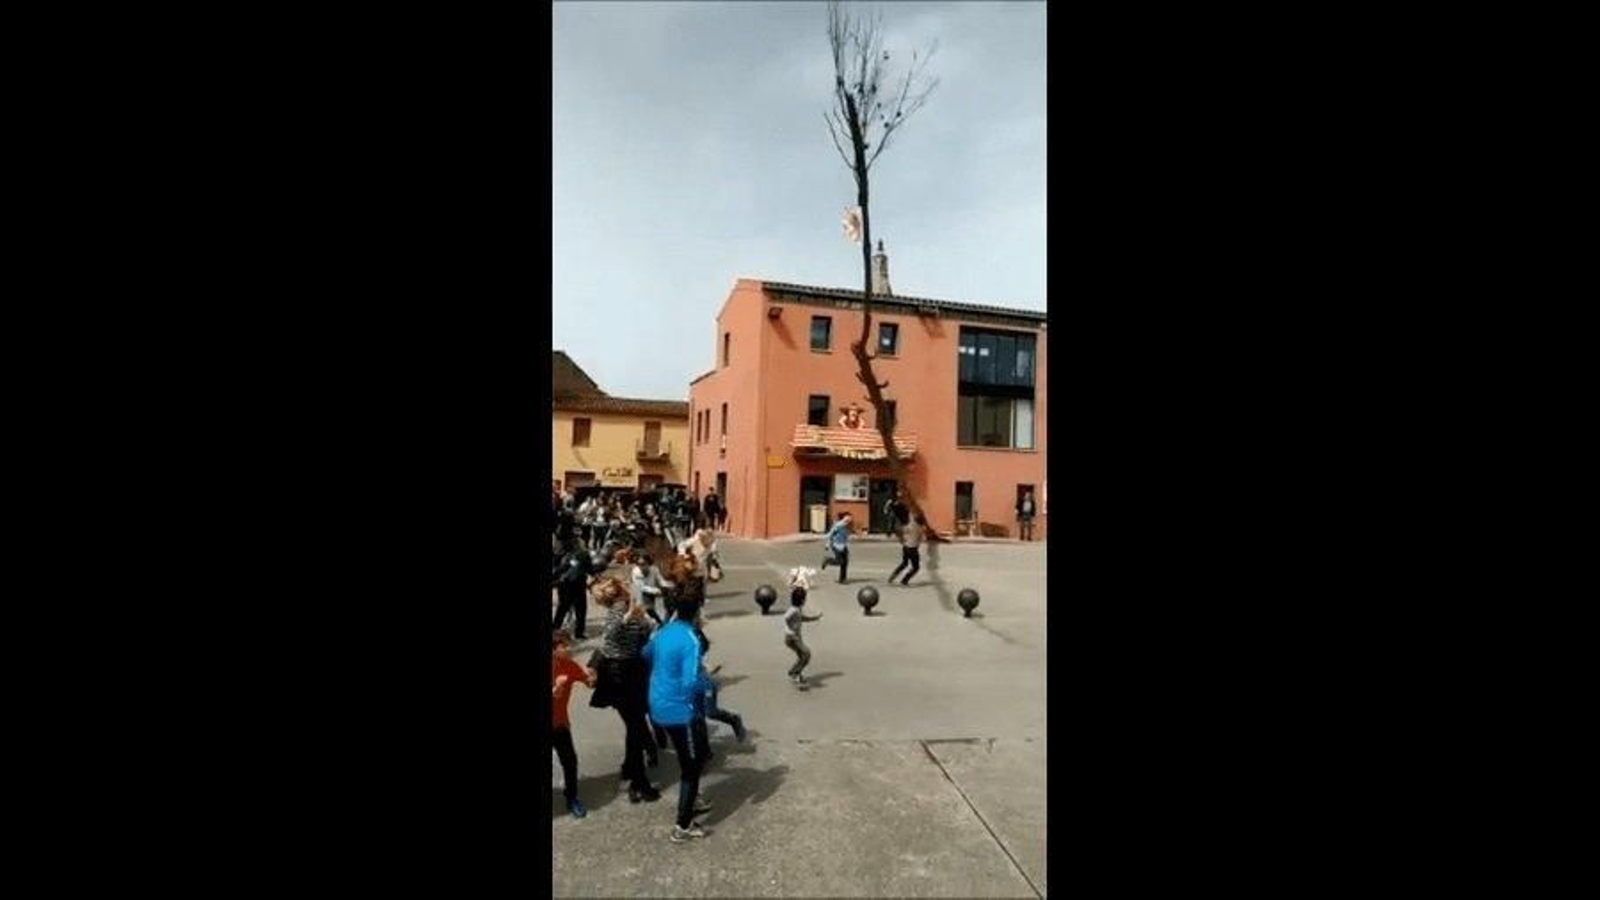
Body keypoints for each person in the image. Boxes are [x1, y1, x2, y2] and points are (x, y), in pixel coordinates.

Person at [643, 595, 715, 843]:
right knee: (691, 768)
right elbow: (690, 681)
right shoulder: (690, 639)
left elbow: (645, 655)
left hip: (657, 704)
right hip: (680, 712)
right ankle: (682, 827)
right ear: (696, 614)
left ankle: (692, 798)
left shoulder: (663, 632)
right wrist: (708, 684)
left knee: (691, 755)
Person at [590, 577, 663, 803]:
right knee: (635, 725)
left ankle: (632, 771)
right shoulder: (620, 609)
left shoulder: (624, 608)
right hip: (622, 672)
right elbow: (612, 634)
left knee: (634, 725)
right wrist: (630, 617)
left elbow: (642, 633)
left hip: (627, 670)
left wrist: (642, 621)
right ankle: (638, 781)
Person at [552, 628, 598, 819]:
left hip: (560, 724)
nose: (569, 648)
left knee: (570, 761)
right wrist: (555, 689)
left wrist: (593, 676)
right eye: (564, 646)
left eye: (569, 644)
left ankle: (572, 798)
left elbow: (589, 682)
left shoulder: (569, 665)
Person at [783, 568, 824, 689]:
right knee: (806, 654)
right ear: (802, 600)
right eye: (805, 598)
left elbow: (801, 618)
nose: (805, 600)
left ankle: (796, 672)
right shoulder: (794, 610)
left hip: (794, 637)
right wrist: (790, 627)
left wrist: (814, 618)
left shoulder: (797, 610)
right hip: (792, 638)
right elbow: (786, 617)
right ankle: (795, 673)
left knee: (802, 656)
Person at [552, 540, 601, 639]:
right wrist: (596, 575)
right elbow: (590, 569)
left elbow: (555, 570)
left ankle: (555, 629)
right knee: (580, 609)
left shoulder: (560, 553)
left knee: (562, 607)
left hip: (563, 584)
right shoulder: (583, 554)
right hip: (578, 585)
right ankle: (579, 633)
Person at [629, 553, 670, 625]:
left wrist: (666, 586)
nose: (641, 567)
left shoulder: (654, 569)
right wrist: (657, 590)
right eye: (639, 564)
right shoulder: (636, 572)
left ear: (649, 563)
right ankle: (659, 623)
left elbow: (660, 580)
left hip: (652, 592)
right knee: (647, 609)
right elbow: (642, 587)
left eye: (643, 564)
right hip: (640, 593)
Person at [888, 514, 926, 586]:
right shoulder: (920, 528)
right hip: (913, 549)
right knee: (916, 567)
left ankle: (892, 576)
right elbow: (922, 539)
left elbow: (900, 531)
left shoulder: (911, 525)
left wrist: (901, 540)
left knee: (904, 563)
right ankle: (904, 580)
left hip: (906, 547)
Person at [818, 511, 854, 584]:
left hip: (843, 546)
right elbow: (830, 535)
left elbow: (846, 536)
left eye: (850, 517)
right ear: (844, 518)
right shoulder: (838, 525)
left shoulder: (847, 525)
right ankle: (827, 560)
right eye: (848, 516)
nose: (850, 518)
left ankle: (842, 579)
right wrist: (827, 544)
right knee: (840, 561)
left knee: (845, 563)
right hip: (836, 545)